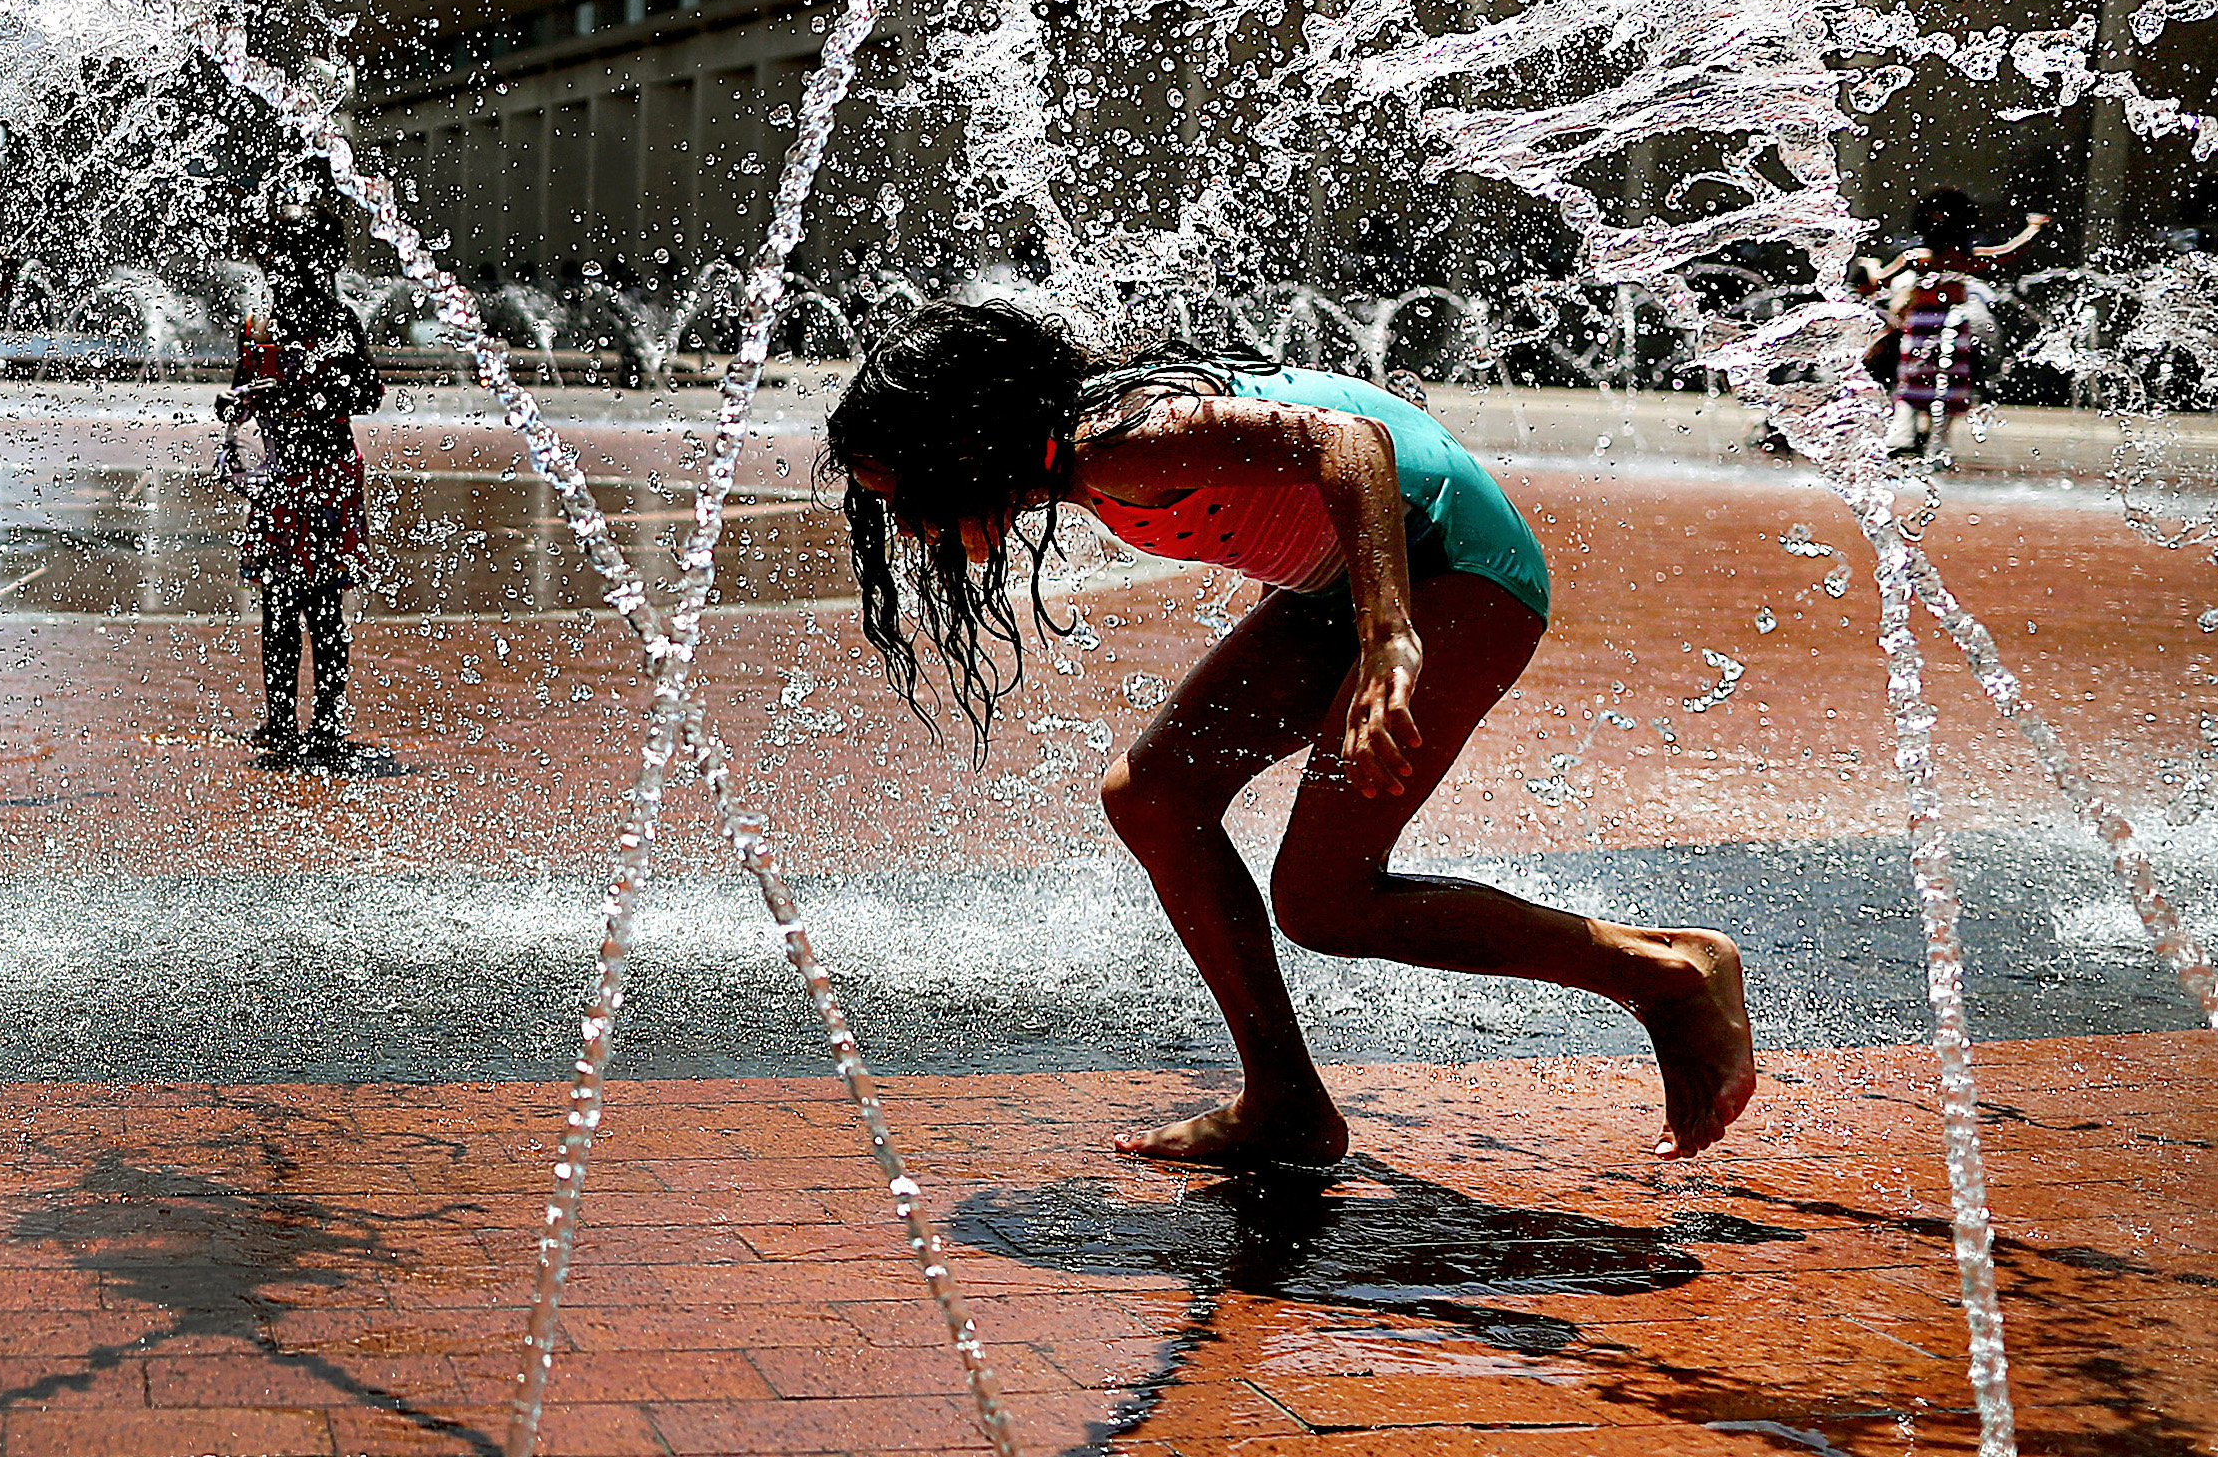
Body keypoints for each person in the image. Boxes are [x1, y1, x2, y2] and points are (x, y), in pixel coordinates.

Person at [824, 300, 1756, 1169]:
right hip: (1341, 582)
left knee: (1325, 900)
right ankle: (1286, 1102)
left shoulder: (1121, 442)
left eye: (911, 492)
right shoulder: (1088, 441)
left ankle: (1664, 974)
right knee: (1152, 797)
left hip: (1454, 573)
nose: (909, 526)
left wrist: (1387, 632)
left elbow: (1349, 438)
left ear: (965, 440)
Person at [222, 197, 383, 764]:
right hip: (278, 475)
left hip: (330, 474)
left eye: (307, 258)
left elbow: (367, 393)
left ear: (328, 264)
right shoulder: (258, 327)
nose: (294, 270)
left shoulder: (341, 324)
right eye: (284, 258)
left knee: (324, 606)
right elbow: (241, 389)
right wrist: (232, 407)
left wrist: (306, 396)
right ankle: (281, 721)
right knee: (278, 603)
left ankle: (329, 725)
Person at [1861, 188, 2050, 462]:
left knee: (1913, 385)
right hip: (1953, 325)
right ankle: (1937, 445)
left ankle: (1904, 438)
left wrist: (1871, 264)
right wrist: (2033, 228)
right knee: (1947, 387)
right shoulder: (1966, 259)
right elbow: (2009, 252)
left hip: (1921, 326)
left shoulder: (1919, 258)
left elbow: (1878, 280)